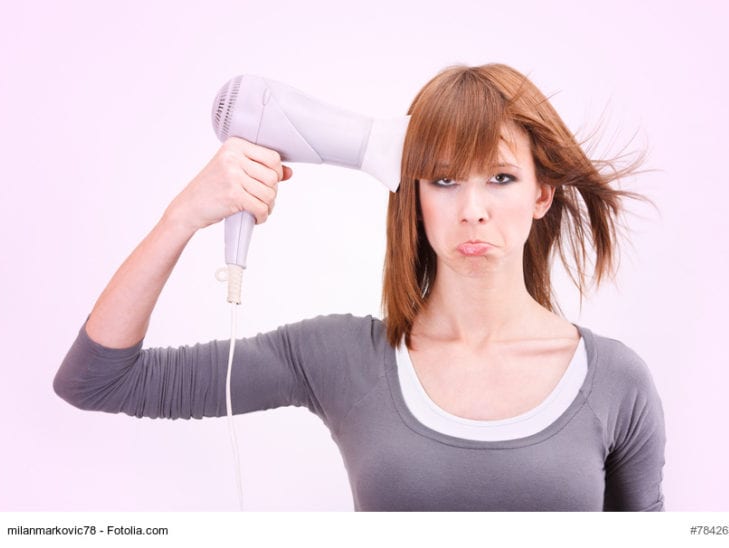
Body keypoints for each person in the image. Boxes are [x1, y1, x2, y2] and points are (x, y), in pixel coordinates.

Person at [54, 64, 665, 511]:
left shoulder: (614, 381)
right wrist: (182, 216)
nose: (473, 209)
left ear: (541, 194)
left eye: (501, 177)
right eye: (445, 179)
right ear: (413, 196)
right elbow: (98, 380)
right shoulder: (342, 359)